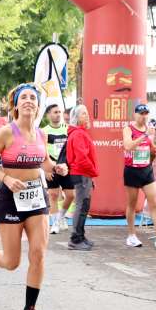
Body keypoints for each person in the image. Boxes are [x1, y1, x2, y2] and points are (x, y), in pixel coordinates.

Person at [0, 84, 56, 310]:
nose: (29, 101)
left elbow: (44, 162)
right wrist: (6, 179)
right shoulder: (7, 133)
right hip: (10, 199)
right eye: (24, 98)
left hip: (36, 198)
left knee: (39, 253)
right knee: (12, 262)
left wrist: (56, 169)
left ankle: (30, 309)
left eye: (33, 97)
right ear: (16, 105)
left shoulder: (42, 134)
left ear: (38, 105)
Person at [122, 102, 156, 248]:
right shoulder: (128, 129)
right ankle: (131, 235)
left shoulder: (149, 130)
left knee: (154, 202)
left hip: (146, 170)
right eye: (140, 113)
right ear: (135, 115)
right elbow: (128, 146)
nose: (143, 116)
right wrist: (144, 135)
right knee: (132, 204)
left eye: (145, 113)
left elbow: (150, 148)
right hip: (132, 170)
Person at [62, 105, 98, 251]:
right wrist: (93, 171)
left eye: (87, 113)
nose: (87, 115)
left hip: (83, 173)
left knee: (84, 206)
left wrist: (91, 173)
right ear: (76, 117)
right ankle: (75, 239)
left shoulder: (79, 133)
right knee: (81, 206)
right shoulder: (78, 134)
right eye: (84, 113)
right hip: (81, 173)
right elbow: (81, 158)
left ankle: (80, 236)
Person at [41, 103, 75, 235]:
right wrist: (46, 169)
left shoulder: (67, 129)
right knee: (53, 195)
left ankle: (61, 216)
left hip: (66, 167)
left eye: (59, 112)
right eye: (55, 112)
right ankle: (55, 223)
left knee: (71, 195)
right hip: (51, 167)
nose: (58, 114)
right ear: (48, 114)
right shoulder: (44, 131)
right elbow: (42, 151)